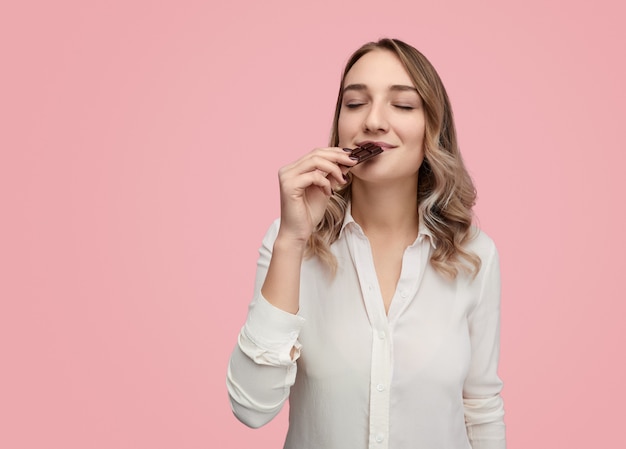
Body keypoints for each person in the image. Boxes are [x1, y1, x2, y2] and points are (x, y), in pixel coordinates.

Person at [227, 37, 506, 449]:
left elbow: (481, 406)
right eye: (355, 103)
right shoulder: (290, 243)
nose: (373, 121)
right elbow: (251, 407)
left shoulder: (474, 255)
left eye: (403, 105)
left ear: (432, 128)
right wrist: (291, 240)